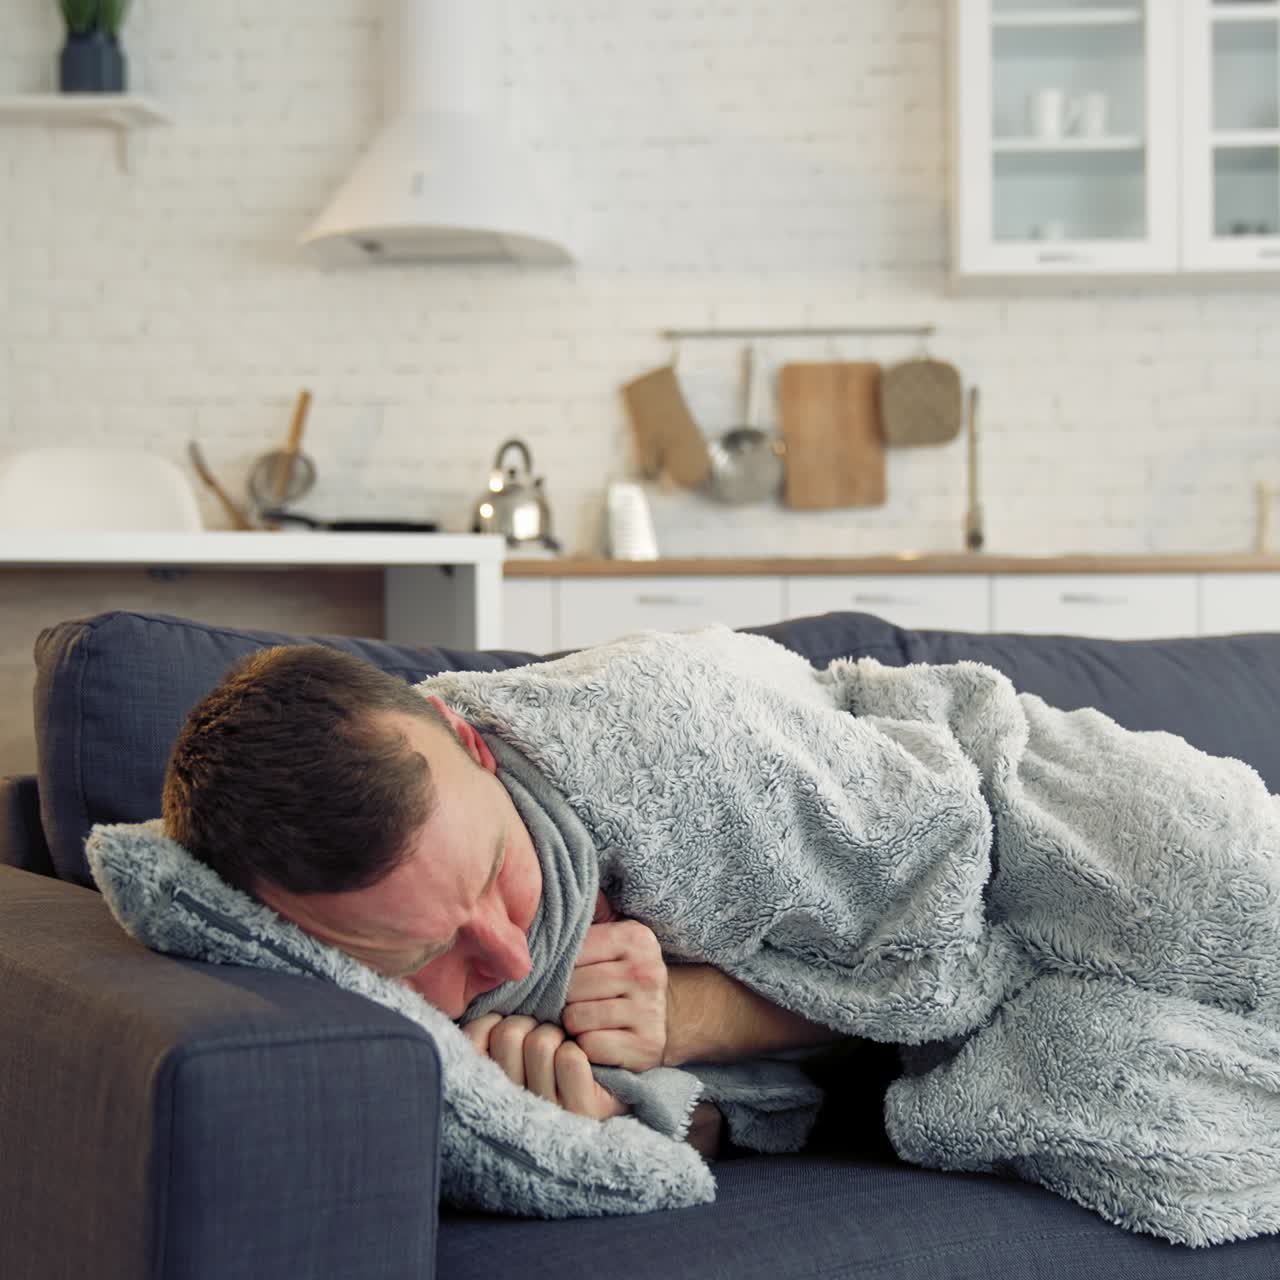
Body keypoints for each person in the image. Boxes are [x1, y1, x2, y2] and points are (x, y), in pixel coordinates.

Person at [161, 644, 837, 1155]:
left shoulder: (665, 759)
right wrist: (640, 1111)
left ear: (470, 742)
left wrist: (689, 1015)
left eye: (493, 869)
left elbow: (930, 960)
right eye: (428, 953)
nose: (511, 960)